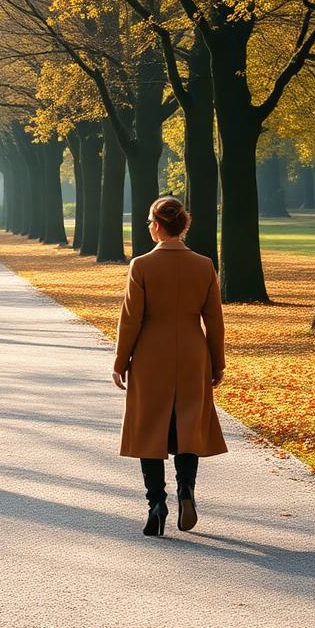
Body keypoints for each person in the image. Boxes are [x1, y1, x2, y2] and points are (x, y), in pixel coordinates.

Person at [111, 196, 227, 536]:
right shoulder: (204, 265)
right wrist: (217, 362)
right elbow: (214, 322)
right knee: (188, 426)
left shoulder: (142, 266)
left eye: (149, 221)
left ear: (159, 225)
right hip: (192, 353)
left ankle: (156, 503)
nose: (148, 226)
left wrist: (121, 362)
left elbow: (131, 320)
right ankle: (186, 490)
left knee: (150, 429)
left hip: (151, 355)